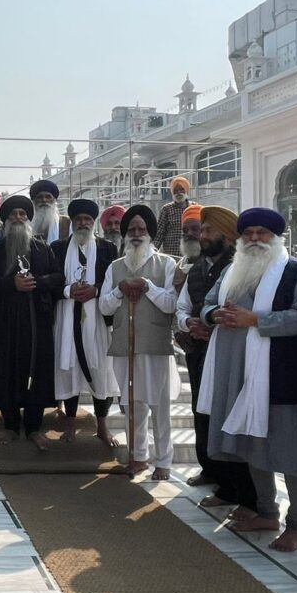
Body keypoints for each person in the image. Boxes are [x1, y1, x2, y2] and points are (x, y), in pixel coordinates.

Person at [198, 207, 297, 552]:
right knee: (253, 446)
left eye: (262, 233)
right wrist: (213, 314)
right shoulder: (232, 271)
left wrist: (256, 319)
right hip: (238, 374)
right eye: (248, 233)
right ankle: (267, 512)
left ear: (277, 238)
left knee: (292, 452)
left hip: (284, 377)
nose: (254, 239)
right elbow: (207, 303)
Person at [175, 206, 257, 512]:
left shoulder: (241, 266)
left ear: (227, 234)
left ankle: (236, 488)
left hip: (230, 355)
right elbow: (183, 307)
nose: (202, 236)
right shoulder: (196, 268)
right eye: (201, 230)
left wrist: (212, 325)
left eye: (208, 230)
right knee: (203, 411)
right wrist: (190, 324)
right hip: (199, 352)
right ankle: (213, 472)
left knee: (226, 417)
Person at [99, 204, 180, 479]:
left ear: (150, 233)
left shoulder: (167, 264)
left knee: (160, 406)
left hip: (155, 346)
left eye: (141, 229)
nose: (135, 233)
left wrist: (147, 286)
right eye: (131, 229)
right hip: (124, 346)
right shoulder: (115, 267)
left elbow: (171, 304)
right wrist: (120, 291)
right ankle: (138, 457)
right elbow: (104, 308)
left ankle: (164, 461)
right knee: (133, 405)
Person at [0, 195, 64, 450]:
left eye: (22, 214)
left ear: (29, 219)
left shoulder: (42, 248)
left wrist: (37, 282)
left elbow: (58, 277)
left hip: (36, 322)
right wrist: (11, 284)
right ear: (5, 221)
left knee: (36, 370)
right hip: (6, 322)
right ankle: (9, 425)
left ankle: (33, 427)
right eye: (13, 215)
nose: (18, 218)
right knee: (7, 369)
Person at [51, 198, 121, 445]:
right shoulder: (58, 248)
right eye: (78, 219)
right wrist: (69, 290)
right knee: (69, 369)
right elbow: (50, 282)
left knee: (101, 370)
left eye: (87, 219)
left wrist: (96, 290)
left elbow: (114, 282)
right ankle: (69, 424)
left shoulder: (107, 249)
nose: (83, 223)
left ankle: (102, 425)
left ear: (93, 223)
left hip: (99, 319)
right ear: (72, 222)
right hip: (66, 316)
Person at [154, 176, 191, 257]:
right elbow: (159, 234)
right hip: (171, 256)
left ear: (187, 190)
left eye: (181, 189)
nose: (179, 193)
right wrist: (152, 251)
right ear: (172, 192)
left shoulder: (194, 208)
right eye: (175, 190)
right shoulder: (166, 209)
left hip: (190, 255)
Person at [29, 179, 70, 244]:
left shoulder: (66, 223)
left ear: (54, 200)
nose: (44, 200)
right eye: (40, 197)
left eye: (48, 197)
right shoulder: (28, 225)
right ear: (34, 201)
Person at [175, 203, 204, 291]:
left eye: (195, 229)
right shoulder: (179, 267)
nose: (189, 234)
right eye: (185, 230)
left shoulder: (213, 262)